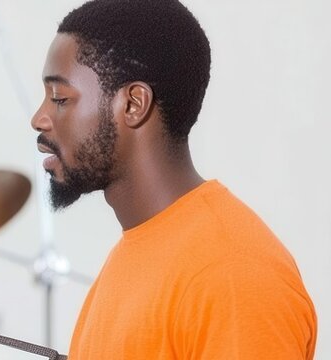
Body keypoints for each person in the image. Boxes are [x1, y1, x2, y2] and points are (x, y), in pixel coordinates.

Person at [29, 0, 317, 358]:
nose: (39, 118)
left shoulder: (232, 273)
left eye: (59, 98)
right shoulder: (134, 254)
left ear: (133, 104)